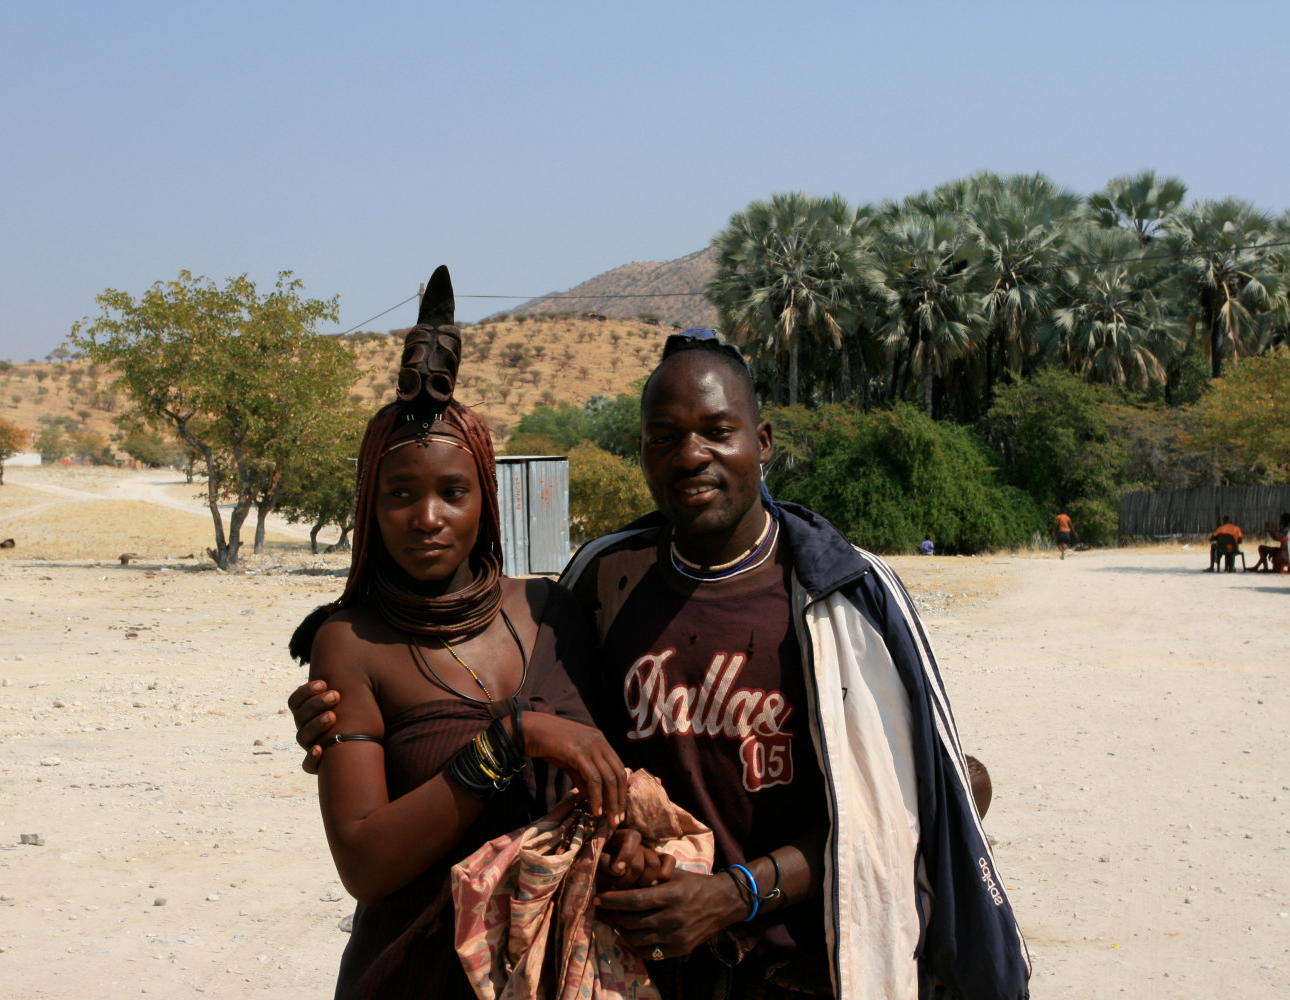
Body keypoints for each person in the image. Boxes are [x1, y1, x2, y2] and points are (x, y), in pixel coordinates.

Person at [293, 329, 1029, 999]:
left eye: (717, 431)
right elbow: (593, 786)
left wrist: (733, 892)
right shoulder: (602, 587)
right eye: (665, 436)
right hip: (630, 972)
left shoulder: (844, 599)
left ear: (762, 440)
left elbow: (901, 806)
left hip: (805, 970)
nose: (691, 455)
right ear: (642, 451)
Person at [289, 267, 640, 1000]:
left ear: (487, 495)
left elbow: (614, 778)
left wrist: (634, 841)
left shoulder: (553, 610)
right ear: (369, 506)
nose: (427, 519)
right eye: (400, 495)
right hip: (414, 976)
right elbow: (364, 862)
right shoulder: (350, 644)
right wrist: (511, 740)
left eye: (453, 492)